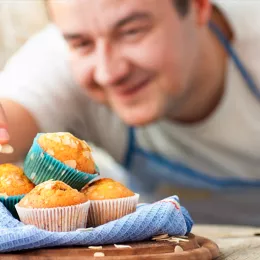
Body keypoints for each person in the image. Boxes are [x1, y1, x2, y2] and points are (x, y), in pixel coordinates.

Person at [0, 0, 260, 226]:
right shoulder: (59, 55)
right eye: (82, 44)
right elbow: (9, 122)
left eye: (131, 32)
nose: (108, 72)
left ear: (198, 6)